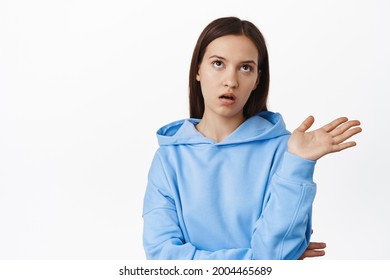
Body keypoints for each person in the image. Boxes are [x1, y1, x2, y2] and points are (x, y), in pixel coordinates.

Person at [142, 16, 362, 260]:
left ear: (257, 79)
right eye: (218, 63)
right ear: (197, 70)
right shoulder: (169, 157)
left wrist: (299, 163)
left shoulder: (286, 151)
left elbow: (277, 252)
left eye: (245, 68)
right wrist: (257, 262)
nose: (231, 81)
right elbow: (163, 257)